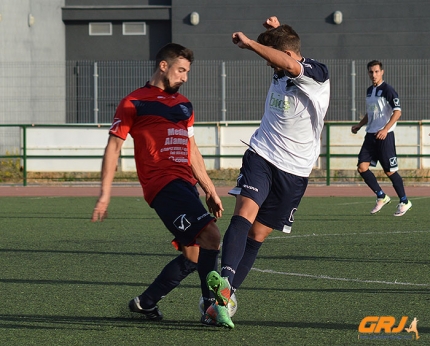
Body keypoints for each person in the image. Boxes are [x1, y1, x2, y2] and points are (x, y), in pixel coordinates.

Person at [91, 43, 233, 329]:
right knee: (211, 237)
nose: (185, 77)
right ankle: (211, 307)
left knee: (194, 255)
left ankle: (145, 302)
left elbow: (192, 150)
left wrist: (209, 189)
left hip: (185, 185)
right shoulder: (134, 102)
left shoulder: (184, 105)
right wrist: (105, 195)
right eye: (181, 70)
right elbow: (113, 147)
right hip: (163, 184)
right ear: (163, 66)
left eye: (187, 71)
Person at [206, 16, 330, 310]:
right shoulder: (284, 57)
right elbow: (285, 50)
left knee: (258, 234)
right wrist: (275, 29)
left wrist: (250, 44)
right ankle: (224, 285)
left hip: (295, 169)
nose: (268, 66)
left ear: (286, 54)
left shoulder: (317, 74)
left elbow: (289, 62)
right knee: (245, 212)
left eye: (272, 59)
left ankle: (227, 296)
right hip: (262, 153)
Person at [351, 60, 412, 216]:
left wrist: (385, 129)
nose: (374, 74)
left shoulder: (388, 90)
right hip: (370, 134)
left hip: (384, 136)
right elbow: (370, 113)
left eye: (377, 71)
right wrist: (359, 125)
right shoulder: (369, 90)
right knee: (362, 167)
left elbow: (397, 112)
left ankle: (404, 201)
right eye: (371, 72)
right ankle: (381, 196)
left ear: (382, 72)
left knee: (389, 171)